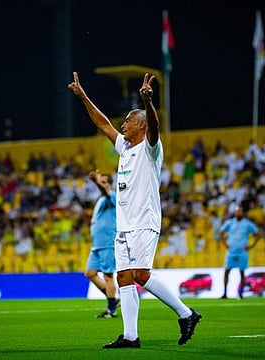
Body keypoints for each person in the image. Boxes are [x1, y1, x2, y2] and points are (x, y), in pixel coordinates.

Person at [68, 71, 201, 349]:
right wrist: (83, 97)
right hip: (124, 224)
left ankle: (186, 313)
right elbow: (103, 124)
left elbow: (154, 127)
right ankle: (130, 336)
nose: (123, 124)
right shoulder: (124, 147)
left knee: (140, 274)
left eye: (128, 120)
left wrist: (148, 103)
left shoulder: (151, 148)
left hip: (144, 220)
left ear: (140, 125)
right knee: (124, 277)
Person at [85, 169, 119, 318]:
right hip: (97, 245)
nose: (103, 185)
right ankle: (112, 298)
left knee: (108, 276)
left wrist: (97, 181)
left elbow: (104, 191)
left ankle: (111, 310)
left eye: (105, 183)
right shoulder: (101, 200)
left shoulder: (111, 196)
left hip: (107, 243)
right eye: (102, 182)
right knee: (90, 273)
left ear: (110, 185)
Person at [219, 204, 260, 299]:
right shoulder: (230, 223)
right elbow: (221, 232)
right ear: (235, 212)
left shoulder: (247, 224)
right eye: (237, 211)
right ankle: (225, 293)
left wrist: (251, 246)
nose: (238, 213)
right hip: (231, 252)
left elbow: (258, 234)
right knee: (226, 271)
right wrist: (225, 244)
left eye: (240, 211)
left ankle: (241, 293)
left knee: (242, 273)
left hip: (242, 252)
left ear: (243, 213)